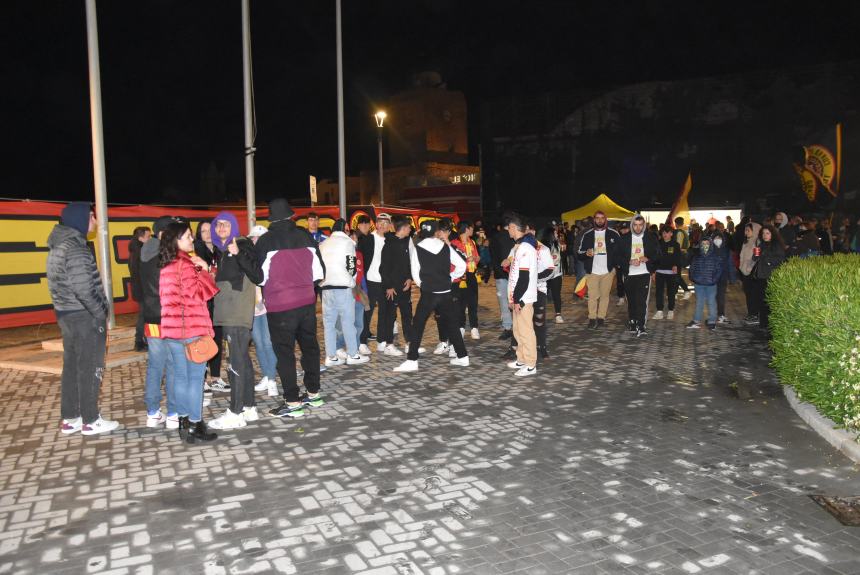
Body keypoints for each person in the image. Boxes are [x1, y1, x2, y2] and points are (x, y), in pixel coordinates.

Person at [47, 202, 119, 435]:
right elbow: (84, 288)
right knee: (90, 367)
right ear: (80, 219)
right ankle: (91, 419)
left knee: (72, 367)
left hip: (67, 314)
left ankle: (71, 417)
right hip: (84, 316)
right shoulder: (75, 247)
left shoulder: (58, 245)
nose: (95, 222)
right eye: (91, 217)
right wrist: (100, 311)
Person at [252, 198, 325, 419]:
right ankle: (313, 393)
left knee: (285, 354)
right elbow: (320, 272)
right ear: (291, 216)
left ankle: (292, 402)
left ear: (272, 218)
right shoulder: (305, 236)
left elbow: (259, 277)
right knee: (310, 348)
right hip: (306, 303)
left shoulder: (265, 241)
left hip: (280, 307)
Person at [158, 221, 219, 443]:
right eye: (187, 237)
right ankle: (195, 424)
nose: (192, 240)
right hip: (192, 330)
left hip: (173, 332)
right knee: (195, 379)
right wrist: (204, 268)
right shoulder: (187, 264)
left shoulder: (166, 265)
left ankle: (184, 422)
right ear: (176, 240)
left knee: (180, 378)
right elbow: (205, 292)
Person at [208, 211, 261, 430]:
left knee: (235, 362)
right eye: (218, 225)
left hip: (237, 313)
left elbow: (258, 275)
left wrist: (238, 253)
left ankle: (235, 411)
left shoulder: (241, 244)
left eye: (226, 225)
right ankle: (248, 407)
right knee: (242, 359)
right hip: (230, 312)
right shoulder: (221, 251)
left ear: (234, 227)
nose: (221, 228)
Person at [393, 220, 469, 372]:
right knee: (452, 324)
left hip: (429, 293)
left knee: (418, 325)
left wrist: (426, 284)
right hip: (446, 292)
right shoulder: (445, 247)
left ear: (422, 232)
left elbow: (415, 273)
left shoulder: (418, 248)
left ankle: (412, 359)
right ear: (436, 232)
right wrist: (450, 277)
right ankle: (462, 357)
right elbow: (462, 265)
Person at [140, 216, 180, 429]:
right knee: (173, 365)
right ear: (165, 232)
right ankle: (173, 413)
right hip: (169, 317)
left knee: (155, 366)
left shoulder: (144, 253)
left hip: (151, 317)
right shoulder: (167, 254)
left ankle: (153, 412)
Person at [319, 219, 370, 366]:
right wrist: (352, 281)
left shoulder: (324, 244)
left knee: (329, 324)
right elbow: (351, 264)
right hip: (343, 287)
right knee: (348, 322)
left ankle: (331, 356)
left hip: (326, 288)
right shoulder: (347, 243)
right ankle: (352, 354)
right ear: (344, 230)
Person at [194, 221, 228, 393]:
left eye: (210, 230)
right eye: (203, 231)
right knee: (205, 340)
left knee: (217, 338)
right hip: (205, 302)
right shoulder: (197, 253)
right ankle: (203, 378)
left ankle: (216, 377)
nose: (207, 233)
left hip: (220, 301)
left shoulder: (220, 250)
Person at [247, 226, 280, 398]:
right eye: (253, 238)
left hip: (268, 304)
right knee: (259, 343)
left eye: (259, 238)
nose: (256, 241)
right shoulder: (248, 256)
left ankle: (272, 379)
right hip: (252, 305)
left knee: (267, 342)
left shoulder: (271, 256)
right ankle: (268, 376)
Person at [505, 213, 539, 376]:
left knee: (526, 331)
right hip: (518, 296)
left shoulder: (525, 248)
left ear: (514, 228)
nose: (507, 230)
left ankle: (531, 364)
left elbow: (524, 278)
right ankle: (522, 359)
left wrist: (517, 299)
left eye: (509, 227)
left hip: (524, 297)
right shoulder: (520, 246)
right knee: (518, 331)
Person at [378, 215, 416, 355]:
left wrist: (409, 278)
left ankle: (409, 342)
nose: (410, 230)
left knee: (407, 314)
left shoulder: (406, 242)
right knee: (390, 316)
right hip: (391, 288)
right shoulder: (389, 245)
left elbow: (407, 264)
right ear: (403, 228)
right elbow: (383, 268)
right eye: (409, 227)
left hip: (404, 286)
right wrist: (388, 286)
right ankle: (389, 345)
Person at [577, 210, 621, 329]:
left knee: (605, 296)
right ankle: (592, 318)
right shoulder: (588, 235)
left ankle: (601, 318)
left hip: (608, 271)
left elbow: (620, 251)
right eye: (597, 218)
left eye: (602, 218)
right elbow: (579, 253)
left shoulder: (613, 234)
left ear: (605, 219)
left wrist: (615, 268)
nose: (600, 220)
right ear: (594, 219)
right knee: (592, 296)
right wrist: (586, 253)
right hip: (593, 271)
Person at [616, 215, 658, 336]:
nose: (638, 227)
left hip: (644, 274)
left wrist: (648, 259)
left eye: (640, 225)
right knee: (632, 301)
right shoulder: (624, 239)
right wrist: (628, 261)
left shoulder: (650, 238)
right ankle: (633, 323)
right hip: (629, 274)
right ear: (632, 225)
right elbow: (616, 257)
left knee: (641, 301)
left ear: (644, 225)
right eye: (635, 224)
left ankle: (641, 326)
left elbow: (657, 255)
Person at [358, 213, 390, 347]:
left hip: (386, 282)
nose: (382, 225)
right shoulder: (367, 239)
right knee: (366, 311)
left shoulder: (391, 240)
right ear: (376, 224)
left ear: (389, 225)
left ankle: (382, 341)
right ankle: (362, 341)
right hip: (370, 281)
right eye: (380, 222)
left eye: (385, 223)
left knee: (385, 312)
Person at [751, 225, 786, 332]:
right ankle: (763, 323)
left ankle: (769, 324)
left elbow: (780, 259)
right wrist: (756, 255)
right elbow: (756, 258)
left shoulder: (776, 245)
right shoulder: (762, 244)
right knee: (761, 300)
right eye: (763, 233)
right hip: (761, 276)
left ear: (772, 234)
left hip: (771, 276)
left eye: (767, 233)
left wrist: (767, 260)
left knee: (769, 301)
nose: (765, 235)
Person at [450, 220, 481, 340]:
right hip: (459, 277)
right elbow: (452, 261)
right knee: (460, 303)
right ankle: (461, 327)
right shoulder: (454, 243)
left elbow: (477, 257)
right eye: (471, 228)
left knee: (473, 302)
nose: (473, 230)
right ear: (466, 229)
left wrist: (476, 258)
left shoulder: (472, 242)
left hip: (471, 275)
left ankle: (474, 327)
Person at [686, 236, 724, 330]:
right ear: (700, 245)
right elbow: (692, 268)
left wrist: (714, 279)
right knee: (699, 302)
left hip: (711, 284)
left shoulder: (715, 256)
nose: (705, 246)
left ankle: (712, 321)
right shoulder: (697, 256)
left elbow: (719, 269)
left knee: (711, 302)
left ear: (710, 245)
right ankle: (696, 320)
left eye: (707, 244)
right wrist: (694, 278)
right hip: (699, 284)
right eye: (703, 244)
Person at [490, 217, 515, 340]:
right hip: (514, 275)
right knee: (516, 300)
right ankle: (518, 326)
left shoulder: (495, 238)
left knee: (504, 302)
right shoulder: (515, 237)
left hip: (500, 274)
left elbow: (493, 257)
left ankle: (507, 327)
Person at [129, 226, 151, 351]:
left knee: (144, 315)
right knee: (144, 316)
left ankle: (142, 340)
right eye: (148, 236)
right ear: (141, 238)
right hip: (143, 290)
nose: (150, 239)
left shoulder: (136, 250)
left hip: (140, 289)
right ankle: (140, 341)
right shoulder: (141, 252)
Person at [653, 226, 682, 320]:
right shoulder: (658, 244)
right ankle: (659, 311)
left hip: (671, 273)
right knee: (659, 292)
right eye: (663, 233)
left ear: (671, 234)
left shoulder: (675, 244)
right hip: (659, 271)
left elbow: (678, 257)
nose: (665, 234)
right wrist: (653, 271)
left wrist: (675, 265)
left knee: (671, 292)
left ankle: (670, 310)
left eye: (667, 232)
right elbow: (654, 257)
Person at [538, 225, 564, 323]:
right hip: (545, 274)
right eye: (555, 233)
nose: (557, 234)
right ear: (550, 234)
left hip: (556, 274)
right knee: (542, 294)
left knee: (556, 294)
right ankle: (539, 313)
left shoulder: (557, 244)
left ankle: (558, 314)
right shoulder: (543, 246)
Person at [738, 221, 762, 325]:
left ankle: (755, 314)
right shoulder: (746, 242)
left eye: (748, 230)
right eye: (745, 230)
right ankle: (751, 313)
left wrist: (749, 268)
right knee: (748, 294)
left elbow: (756, 259)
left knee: (753, 294)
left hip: (752, 272)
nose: (746, 232)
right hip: (745, 271)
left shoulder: (757, 242)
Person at [673, 216, 692, 299]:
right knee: (677, 274)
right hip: (682, 255)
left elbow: (678, 246)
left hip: (678, 255)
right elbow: (688, 245)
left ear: (675, 223)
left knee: (676, 275)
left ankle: (686, 290)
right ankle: (675, 293)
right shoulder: (684, 232)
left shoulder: (679, 233)